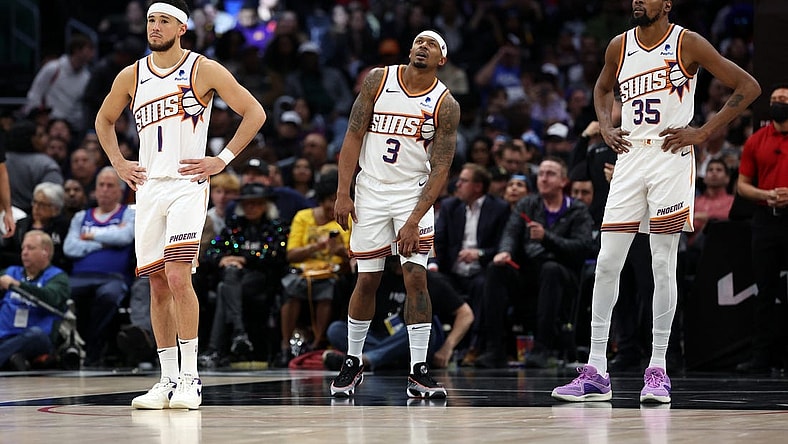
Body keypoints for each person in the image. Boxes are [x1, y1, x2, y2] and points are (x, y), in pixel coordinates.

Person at [552, 0, 760, 404]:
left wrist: (703, 132)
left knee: (662, 263)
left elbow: (748, 86)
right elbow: (601, 88)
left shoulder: (688, 42)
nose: (637, 2)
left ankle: (658, 369)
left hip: (669, 156)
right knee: (608, 261)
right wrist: (607, 126)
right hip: (630, 157)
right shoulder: (619, 45)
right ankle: (596, 369)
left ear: (665, 5)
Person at [94, 0, 265, 410]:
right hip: (149, 187)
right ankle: (166, 379)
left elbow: (253, 112)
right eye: (151, 20)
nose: (155, 27)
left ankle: (191, 376)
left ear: (182, 27)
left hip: (188, 184)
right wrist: (118, 163)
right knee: (155, 283)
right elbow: (103, 119)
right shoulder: (131, 74)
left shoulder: (202, 69)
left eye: (163, 20)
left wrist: (221, 160)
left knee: (176, 275)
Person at [330, 30, 460, 399]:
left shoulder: (445, 104)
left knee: (415, 277)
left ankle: (419, 370)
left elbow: (440, 168)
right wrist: (343, 192)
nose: (423, 46)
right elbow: (353, 136)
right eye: (419, 41)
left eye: (432, 44)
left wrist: (414, 219)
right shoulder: (378, 79)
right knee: (366, 279)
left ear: (441, 60)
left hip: (412, 193)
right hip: (370, 189)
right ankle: (352, 362)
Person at [478, 157, 594, 368]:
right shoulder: (528, 203)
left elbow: (582, 247)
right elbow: (511, 233)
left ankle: (542, 348)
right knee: (496, 269)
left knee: (551, 270)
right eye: (540, 174)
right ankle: (494, 349)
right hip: (530, 271)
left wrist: (547, 238)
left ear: (563, 181)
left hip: (563, 273)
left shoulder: (577, 210)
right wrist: (505, 252)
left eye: (550, 174)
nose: (543, 178)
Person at [324, 257, 474, 372]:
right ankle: (386, 358)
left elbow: (466, 314)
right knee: (336, 329)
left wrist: (447, 347)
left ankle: (365, 360)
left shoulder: (430, 280)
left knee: (422, 331)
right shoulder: (378, 277)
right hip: (383, 337)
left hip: (413, 343)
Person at [199, 183, 289, 368]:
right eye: (247, 204)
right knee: (228, 281)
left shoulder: (276, 226)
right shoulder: (234, 226)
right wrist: (223, 259)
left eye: (256, 203)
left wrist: (243, 259)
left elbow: (275, 256)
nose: (251, 207)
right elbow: (211, 253)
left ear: (265, 205)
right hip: (235, 280)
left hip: (263, 281)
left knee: (225, 287)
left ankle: (217, 348)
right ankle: (238, 335)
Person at [735, 83, 788, 374]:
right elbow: (742, 185)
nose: (779, 103)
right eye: (775, 99)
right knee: (764, 289)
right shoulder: (756, 140)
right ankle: (761, 358)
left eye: (784, 99)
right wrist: (766, 195)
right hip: (766, 218)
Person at [63, 167, 135, 366]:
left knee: (108, 297)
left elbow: (125, 237)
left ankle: (93, 346)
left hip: (114, 277)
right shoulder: (81, 217)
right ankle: (64, 348)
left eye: (110, 185)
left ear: (120, 191)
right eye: (101, 185)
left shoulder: (128, 214)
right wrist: (104, 241)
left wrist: (90, 236)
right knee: (62, 294)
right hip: (80, 276)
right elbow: (70, 247)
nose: (104, 189)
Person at [0, 231, 70, 370]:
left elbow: (51, 297)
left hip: (36, 337)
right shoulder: (11, 272)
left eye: (30, 248)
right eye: (23, 248)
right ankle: (14, 359)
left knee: (36, 334)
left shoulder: (57, 277)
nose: (24, 253)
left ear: (46, 252)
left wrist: (18, 285)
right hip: (4, 335)